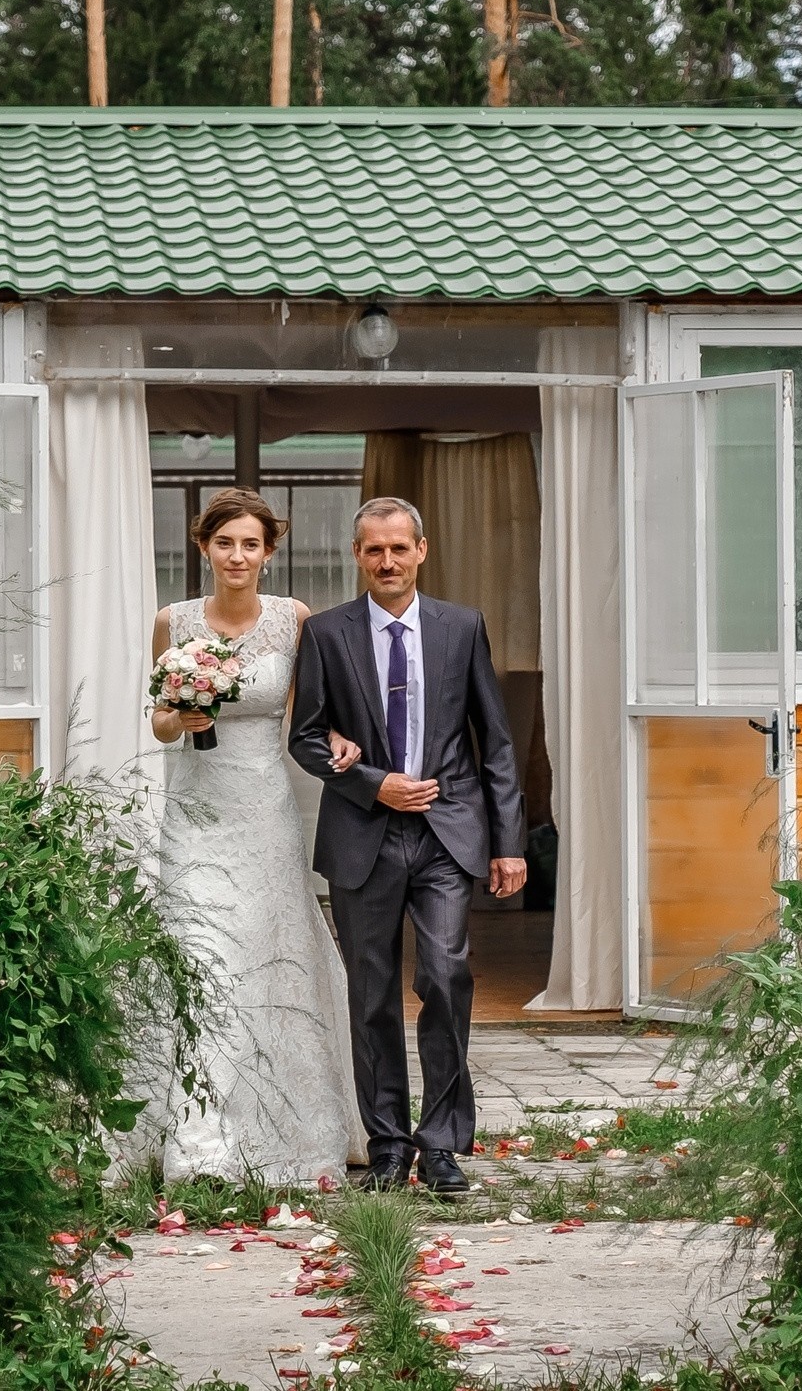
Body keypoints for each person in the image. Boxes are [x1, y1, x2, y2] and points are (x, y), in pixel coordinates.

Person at [289, 496, 525, 1193]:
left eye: (399, 547)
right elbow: (305, 736)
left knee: (446, 978)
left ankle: (442, 1141)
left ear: (422, 549)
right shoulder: (328, 633)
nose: (387, 561)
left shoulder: (462, 626)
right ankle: (388, 1143)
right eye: (373, 550)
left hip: (448, 834)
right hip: (363, 834)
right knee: (372, 995)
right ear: (357, 556)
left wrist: (508, 843)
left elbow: (497, 741)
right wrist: (371, 782)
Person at [135, 487, 363, 1185]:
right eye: (225, 542)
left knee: (266, 952)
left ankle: (284, 1129)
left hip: (263, 809)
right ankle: (195, 1140)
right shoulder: (172, 622)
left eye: (251, 544)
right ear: (204, 546)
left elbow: (310, 714)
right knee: (198, 952)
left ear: (269, 551)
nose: (238, 555)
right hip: (195, 812)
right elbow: (157, 722)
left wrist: (342, 741)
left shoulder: (295, 620)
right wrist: (183, 716)